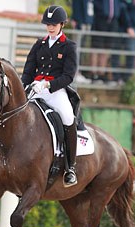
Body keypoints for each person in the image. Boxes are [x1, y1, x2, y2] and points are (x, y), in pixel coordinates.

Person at [21, 5, 78, 187]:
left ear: (62, 24)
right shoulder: (39, 44)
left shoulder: (68, 47)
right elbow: (28, 70)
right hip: (36, 88)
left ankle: (70, 168)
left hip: (55, 90)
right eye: (48, 24)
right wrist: (26, 86)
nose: (50, 27)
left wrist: (49, 84)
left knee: (69, 118)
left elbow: (69, 76)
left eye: (54, 24)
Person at [90, 0, 122, 84]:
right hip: (100, 20)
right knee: (96, 47)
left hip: (112, 22)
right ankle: (94, 74)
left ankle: (101, 73)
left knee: (106, 48)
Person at [71, 0, 94, 83]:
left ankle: (78, 73)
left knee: (82, 50)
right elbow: (76, 6)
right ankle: (75, 73)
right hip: (80, 23)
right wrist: (77, 22)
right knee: (76, 49)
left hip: (86, 22)